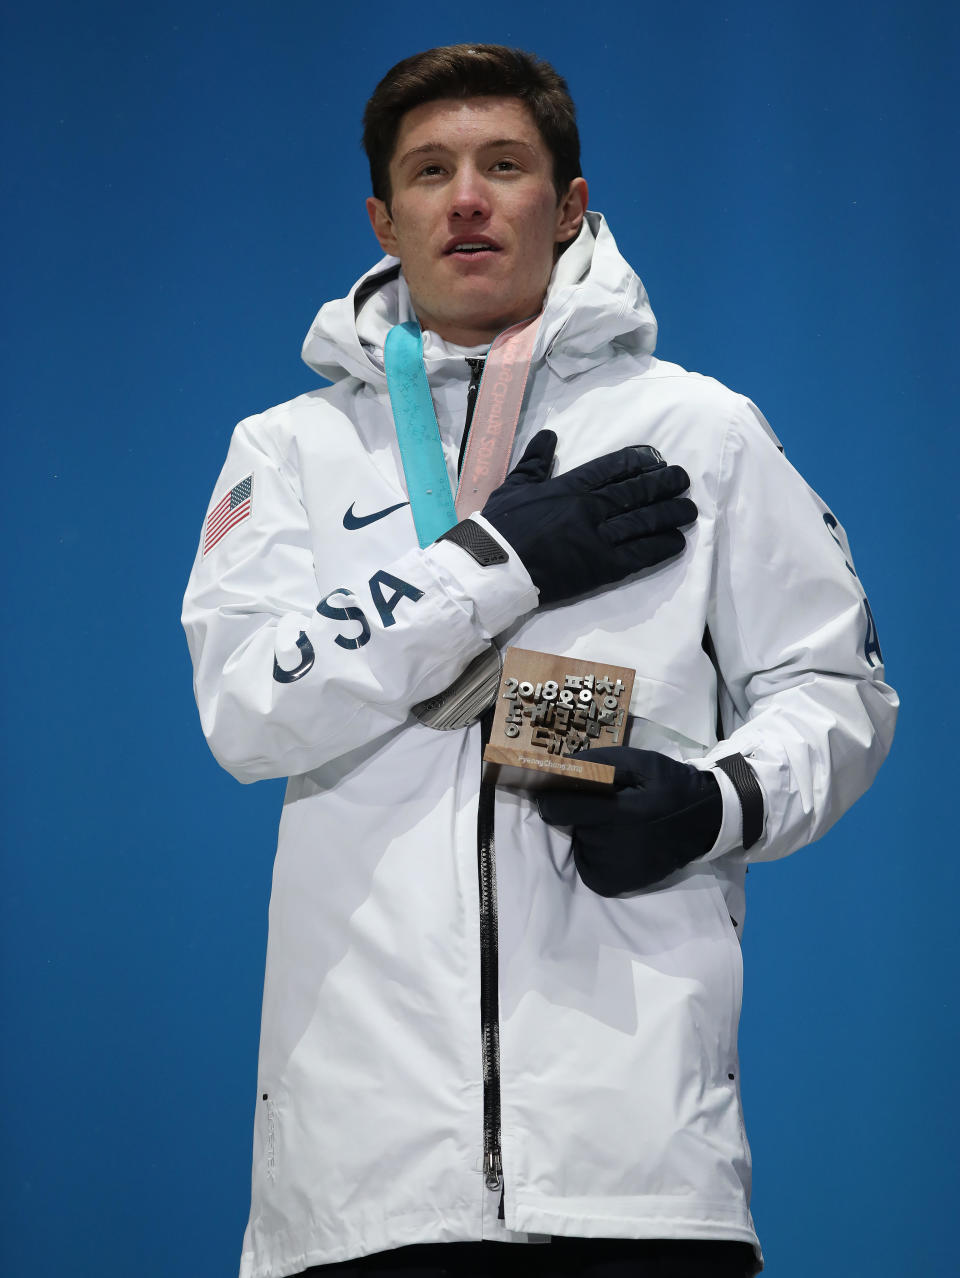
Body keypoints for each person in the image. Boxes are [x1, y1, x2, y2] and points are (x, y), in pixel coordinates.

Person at [182, 44, 897, 1278]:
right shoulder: (285, 450)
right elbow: (249, 712)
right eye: (431, 171)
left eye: (504, 166)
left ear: (569, 206)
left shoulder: (700, 429)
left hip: (641, 1167)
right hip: (362, 1186)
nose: (467, 197)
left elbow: (836, 691)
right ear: (383, 217)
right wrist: (490, 561)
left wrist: (713, 802)